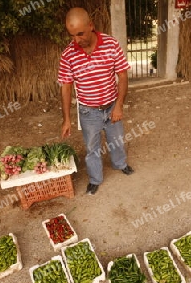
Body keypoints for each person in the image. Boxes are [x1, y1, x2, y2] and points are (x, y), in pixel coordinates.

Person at [58, 7, 133, 195]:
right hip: (88, 111)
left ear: (91, 26)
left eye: (80, 34)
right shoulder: (68, 54)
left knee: (116, 139)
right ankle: (95, 179)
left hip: (111, 106)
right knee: (92, 147)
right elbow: (66, 87)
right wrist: (66, 119)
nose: (77, 40)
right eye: (73, 35)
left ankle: (120, 164)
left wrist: (118, 106)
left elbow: (122, 76)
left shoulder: (110, 44)